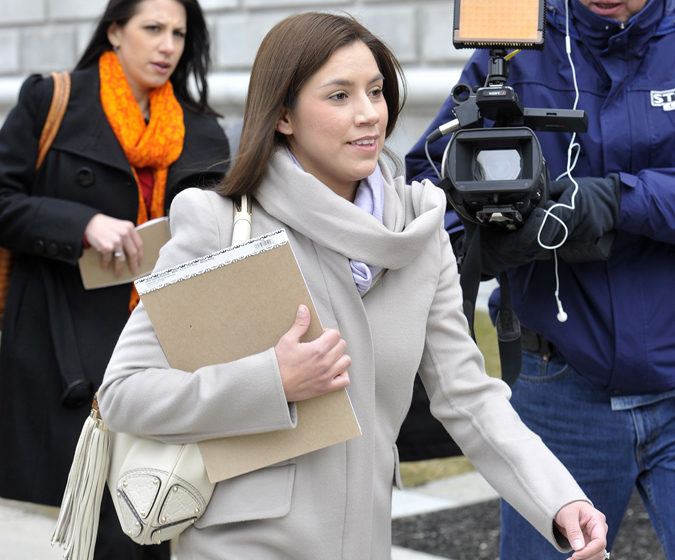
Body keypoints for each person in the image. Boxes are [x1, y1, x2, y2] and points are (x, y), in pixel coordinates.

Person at [98, 12, 608, 560]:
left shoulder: (418, 231)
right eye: (339, 96)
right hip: (240, 545)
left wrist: (558, 501)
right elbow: (124, 393)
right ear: (285, 115)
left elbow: (468, 397)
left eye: (376, 91)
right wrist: (272, 381)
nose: (369, 114)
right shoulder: (220, 224)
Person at [406, 0, 675, 558]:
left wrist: (619, 201)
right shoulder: (516, 42)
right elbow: (428, 176)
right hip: (559, 383)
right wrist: (487, 234)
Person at [0, 0, 229, 558]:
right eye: (152, 29)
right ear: (114, 32)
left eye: (178, 33)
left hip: (164, 346)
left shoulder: (202, 129)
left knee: (155, 503)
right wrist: (81, 224)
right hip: (66, 345)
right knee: (95, 516)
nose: (167, 45)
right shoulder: (51, 101)